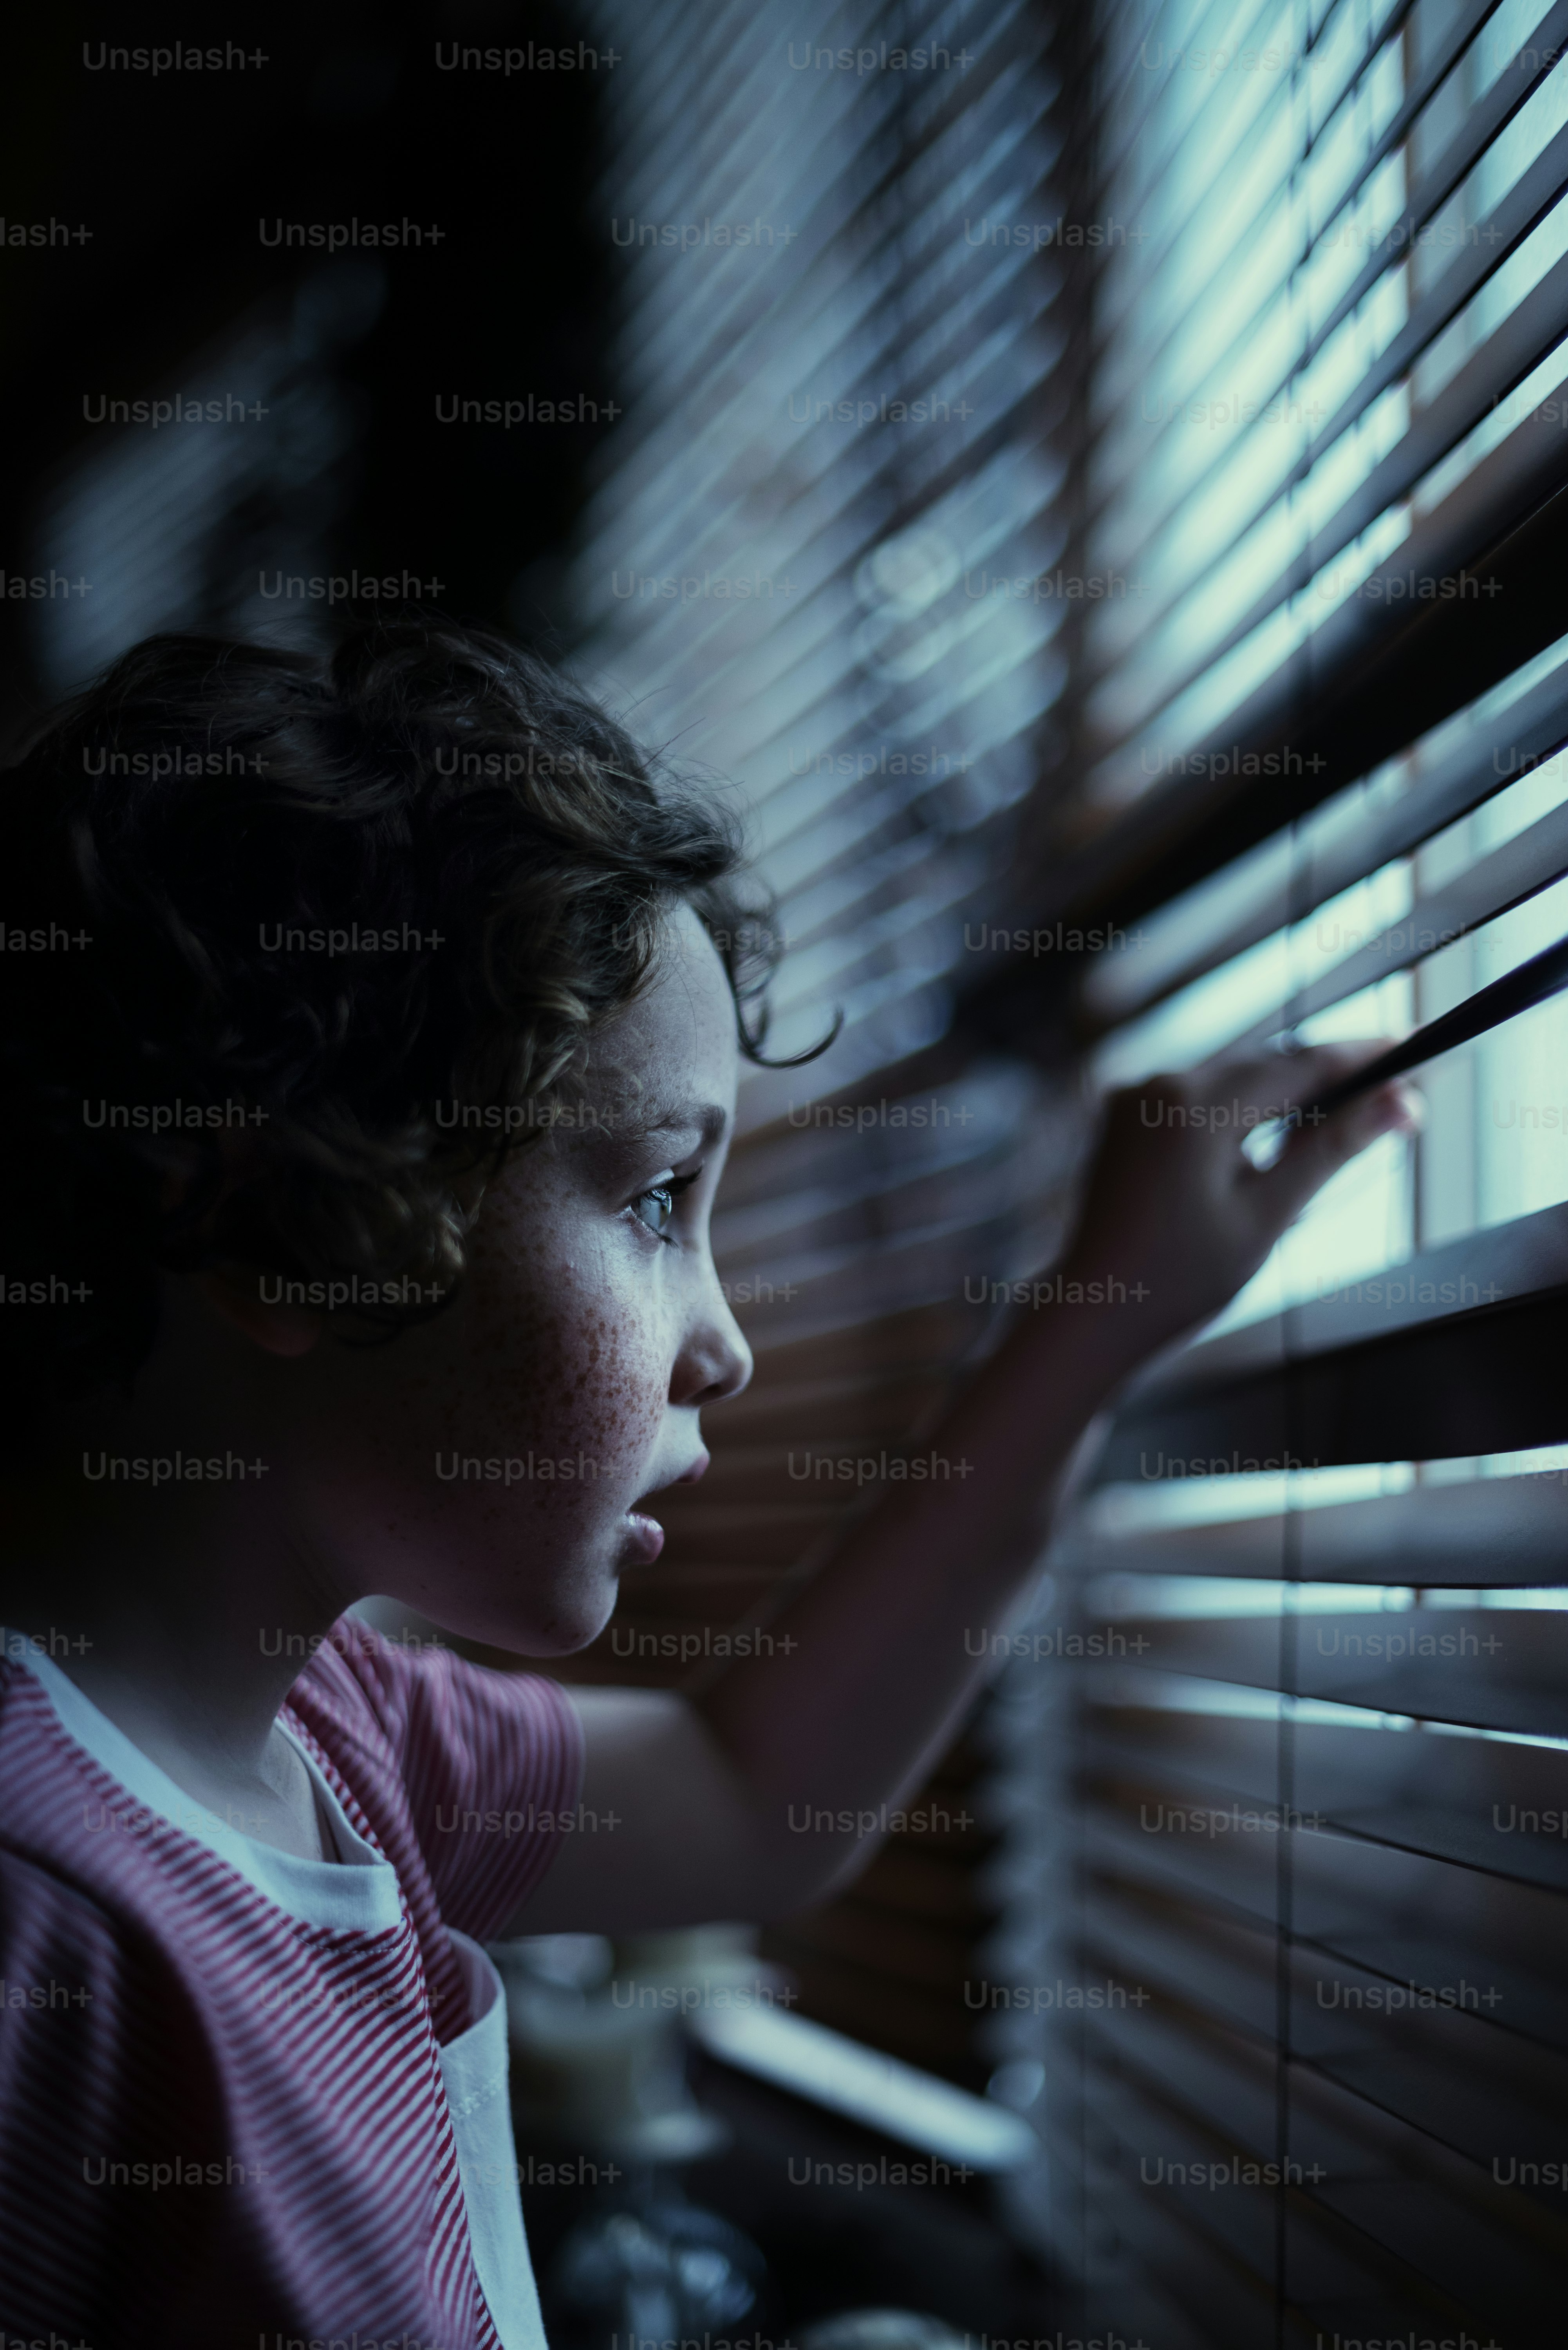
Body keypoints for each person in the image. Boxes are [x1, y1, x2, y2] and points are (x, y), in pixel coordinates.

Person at [0, 620, 1417, 2346]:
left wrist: (1087, 1327)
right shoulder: (44, 1915)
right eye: (659, 1200)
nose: (727, 1344)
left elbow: (752, 1800)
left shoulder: (332, 1734)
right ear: (287, 1223)